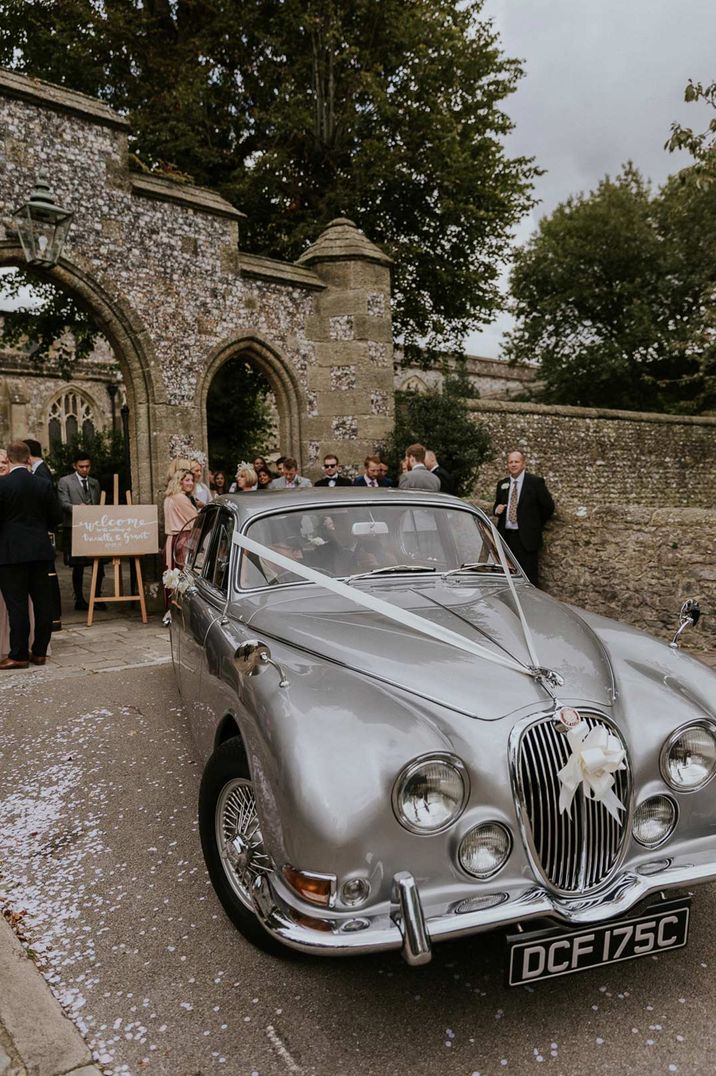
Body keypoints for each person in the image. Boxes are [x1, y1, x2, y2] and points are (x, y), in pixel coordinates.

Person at [0, 441, 62, 669]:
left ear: (8, 458)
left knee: (17, 606)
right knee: (42, 603)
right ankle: (39, 652)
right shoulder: (43, 484)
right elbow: (56, 518)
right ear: (28, 458)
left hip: (10, 552)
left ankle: (18, 654)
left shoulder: (2, 485)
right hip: (39, 550)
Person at [493, 448, 554, 587]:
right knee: (506, 576)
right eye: (510, 462)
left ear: (523, 464)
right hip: (506, 537)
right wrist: (497, 510)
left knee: (528, 578)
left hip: (526, 539)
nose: (513, 464)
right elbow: (496, 506)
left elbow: (548, 507)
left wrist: (534, 524)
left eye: (516, 461)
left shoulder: (535, 482)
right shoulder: (502, 483)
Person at [57, 452, 105, 610]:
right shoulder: (65, 482)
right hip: (74, 527)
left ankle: (97, 596)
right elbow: (63, 503)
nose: (85, 469)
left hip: (93, 527)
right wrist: (79, 509)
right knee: (78, 566)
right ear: (74, 466)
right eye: (81, 467)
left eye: (87, 466)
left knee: (99, 563)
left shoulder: (94, 483)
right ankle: (79, 598)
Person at [163, 470, 199, 569]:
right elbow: (196, 520)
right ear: (179, 481)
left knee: (174, 575)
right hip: (184, 539)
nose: (191, 483)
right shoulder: (180, 498)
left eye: (192, 480)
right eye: (187, 480)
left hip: (172, 539)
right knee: (184, 574)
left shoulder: (169, 497)